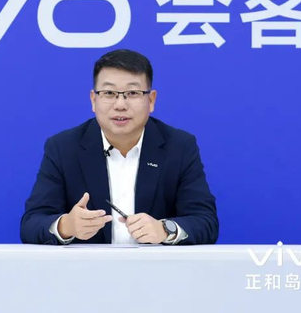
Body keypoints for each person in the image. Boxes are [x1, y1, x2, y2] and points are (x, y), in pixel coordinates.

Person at [20, 49, 219, 245]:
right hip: (88, 265)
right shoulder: (63, 148)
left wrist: (165, 229)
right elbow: (31, 223)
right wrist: (66, 226)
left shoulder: (179, 146)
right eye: (109, 93)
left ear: (151, 100)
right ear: (93, 100)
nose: (120, 105)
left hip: (156, 265)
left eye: (132, 93)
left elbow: (206, 222)